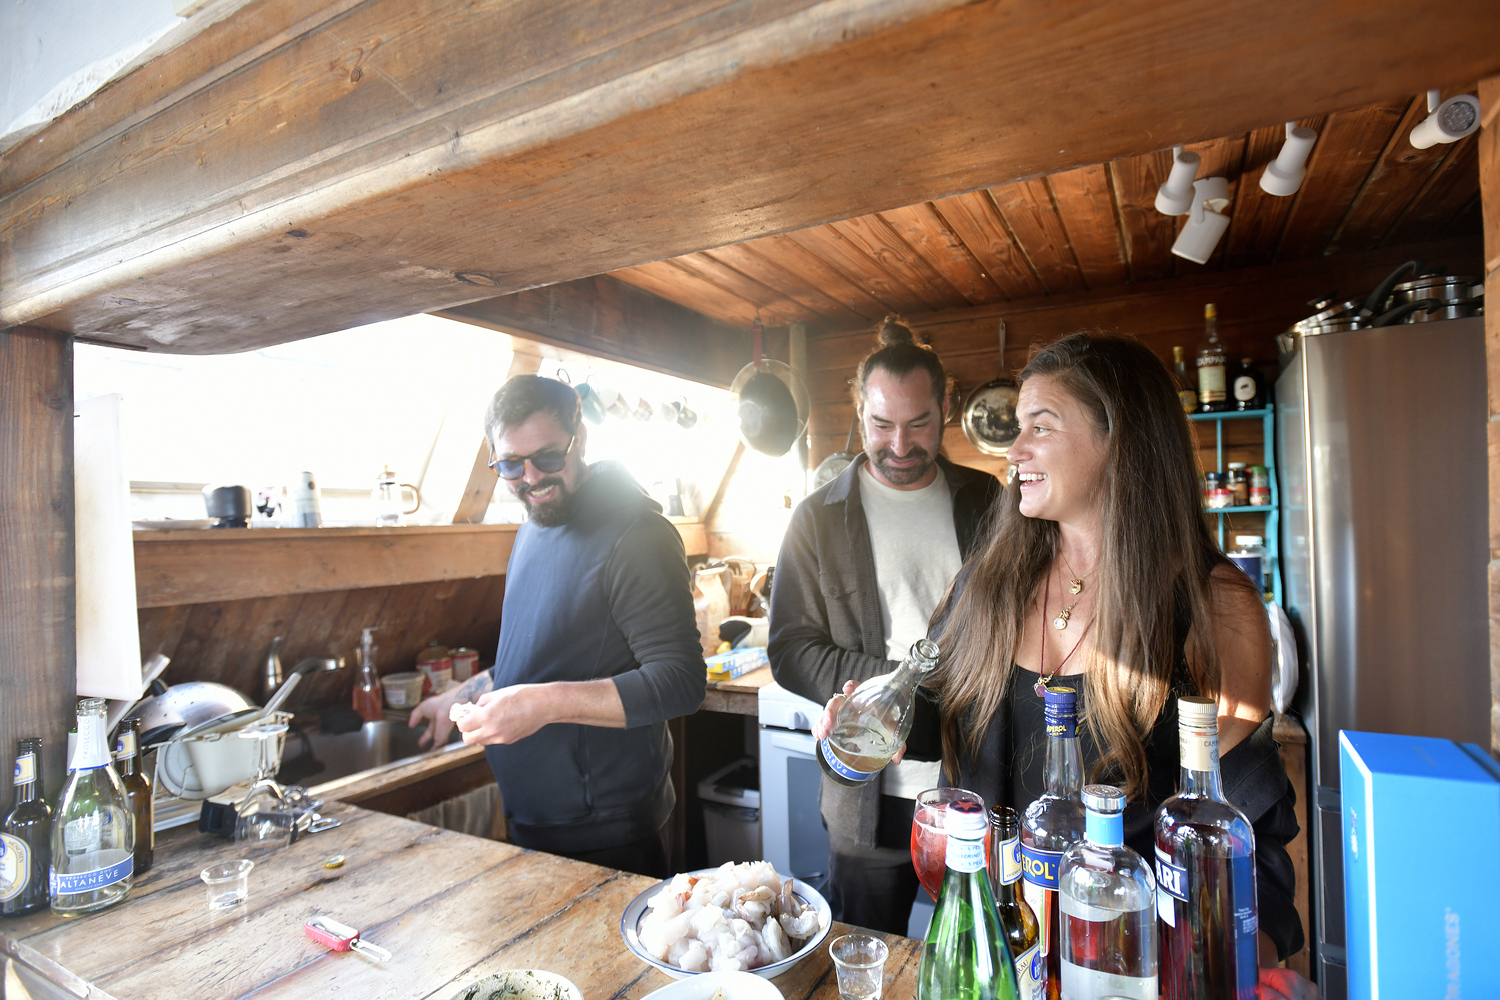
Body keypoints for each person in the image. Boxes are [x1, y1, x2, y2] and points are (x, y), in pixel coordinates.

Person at [817, 332, 1312, 995]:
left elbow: (1245, 822)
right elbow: (938, 709)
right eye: (1016, 429)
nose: (1013, 451)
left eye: (1039, 428)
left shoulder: (1210, 606)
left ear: (1120, 440)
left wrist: (1240, 962)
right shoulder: (990, 580)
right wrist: (870, 727)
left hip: (1129, 964)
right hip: (995, 947)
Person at [409, 375, 706, 878]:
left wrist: (541, 706)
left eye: (548, 457)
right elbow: (543, 656)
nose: (531, 478)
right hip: (534, 817)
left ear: (580, 438)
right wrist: (467, 691)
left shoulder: (638, 536)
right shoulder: (535, 524)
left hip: (608, 830)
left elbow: (681, 682)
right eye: (509, 465)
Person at [768, 316, 999, 934]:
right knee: (866, 950)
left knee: (985, 952)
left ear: (945, 409)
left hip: (977, 781)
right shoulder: (817, 519)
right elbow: (790, 649)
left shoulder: (991, 502)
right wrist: (894, 698)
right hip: (867, 792)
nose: (900, 444)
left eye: (919, 423)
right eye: (881, 425)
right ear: (858, 410)